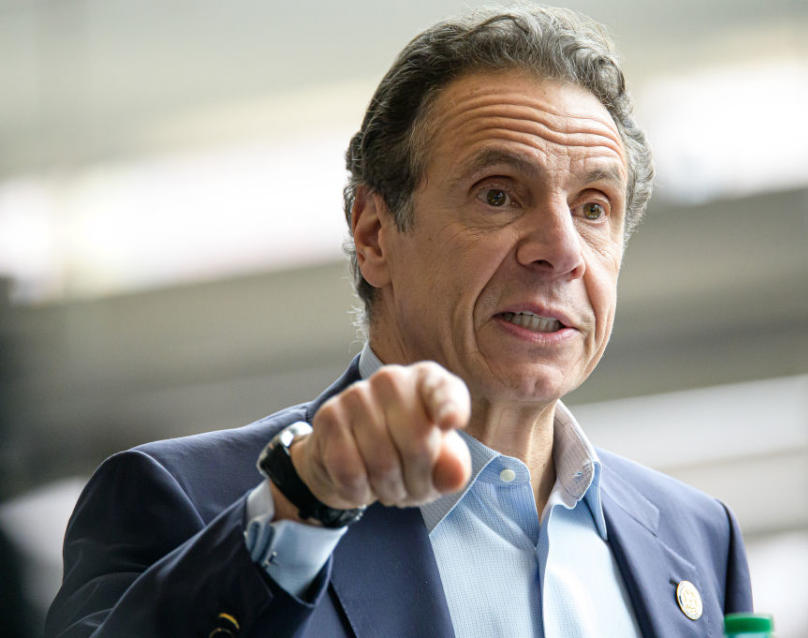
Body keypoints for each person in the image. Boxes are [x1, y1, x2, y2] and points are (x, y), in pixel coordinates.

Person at [46, 6, 752, 637]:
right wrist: (305, 505)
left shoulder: (696, 541)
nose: (562, 251)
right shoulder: (187, 501)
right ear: (374, 235)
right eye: (499, 194)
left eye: (594, 206)